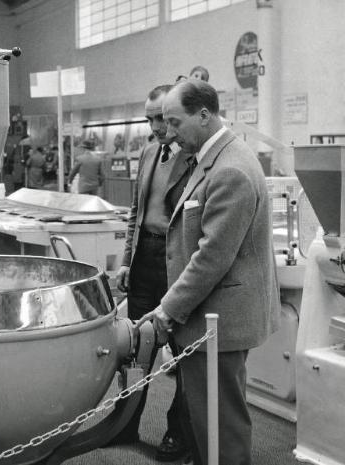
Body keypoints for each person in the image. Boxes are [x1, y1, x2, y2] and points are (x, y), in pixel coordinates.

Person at [153, 79, 280, 465]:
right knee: (208, 417)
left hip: (219, 319)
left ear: (204, 115)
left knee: (221, 422)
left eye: (175, 123)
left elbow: (212, 257)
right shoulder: (212, 159)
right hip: (208, 317)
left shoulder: (231, 170)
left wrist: (166, 310)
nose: (169, 135)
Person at [108, 85, 194, 462]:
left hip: (176, 263)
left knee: (183, 356)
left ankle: (178, 433)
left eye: (161, 118)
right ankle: (126, 423)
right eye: (149, 118)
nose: (155, 126)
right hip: (143, 260)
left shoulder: (194, 160)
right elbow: (135, 215)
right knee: (134, 351)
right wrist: (127, 260)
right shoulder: (147, 153)